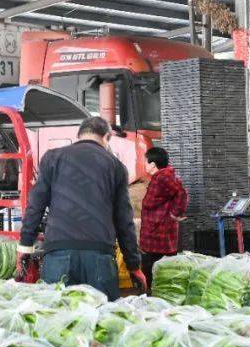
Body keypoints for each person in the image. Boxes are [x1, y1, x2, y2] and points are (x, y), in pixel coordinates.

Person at [17, 116, 146, 300]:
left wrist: (25, 246)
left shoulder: (53, 158)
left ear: (79, 135)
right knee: (101, 320)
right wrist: (133, 264)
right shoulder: (116, 166)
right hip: (99, 257)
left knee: (56, 320)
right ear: (107, 137)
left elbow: (35, 205)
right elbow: (124, 221)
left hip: (58, 254)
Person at [139, 146, 188, 286]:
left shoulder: (164, 177)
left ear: (153, 164)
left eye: (145, 161)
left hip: (159, 235)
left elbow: (182, 193)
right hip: (154, 234)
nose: (144, 164)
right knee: (154, 273)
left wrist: (174, 214)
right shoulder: (162, 176)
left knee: (158, 275)